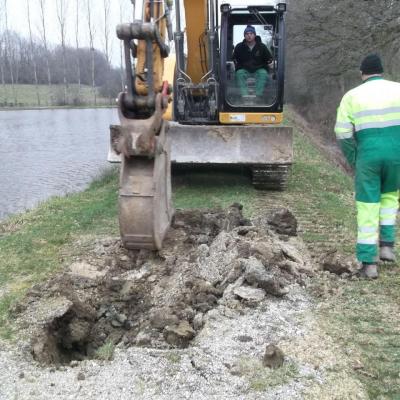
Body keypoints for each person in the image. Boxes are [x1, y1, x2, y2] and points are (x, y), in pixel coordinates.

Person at [335, 53, 400, 278]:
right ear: (381, 70)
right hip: (396, 155)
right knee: (390, 198)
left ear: (362, 73)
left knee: (368, 206)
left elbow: (342, 132)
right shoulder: (397, 89)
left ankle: (368, 262)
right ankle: (387, 246)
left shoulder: (352, 96)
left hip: (368, 156)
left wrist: (355, 159)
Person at [233, 25, 273, 98]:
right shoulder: (239, 47)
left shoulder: (262, 47)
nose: (249, 36)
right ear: (244, 36)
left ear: (254, 35)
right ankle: (244, 95)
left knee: (263, 73)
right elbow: (234, 58)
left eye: (251, 34)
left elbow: (269, 58)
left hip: (258, 69)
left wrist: (270, 62)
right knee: (239, 73)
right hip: (244, 69)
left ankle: (258, 95)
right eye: (247, 34)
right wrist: (237, 64)